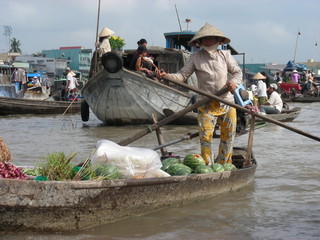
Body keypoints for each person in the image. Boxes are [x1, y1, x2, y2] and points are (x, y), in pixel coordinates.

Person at [159, 22, 242, 165]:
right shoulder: (195, 57)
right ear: (200, 42)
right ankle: (208, 165)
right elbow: (182, 75)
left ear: (218, 40)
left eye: (211, 38)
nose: (208, 41)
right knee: (206, 138)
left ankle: (224, 164)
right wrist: (168, 76)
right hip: (206, 103)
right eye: (205, 39)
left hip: (226, 101)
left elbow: (237, 72)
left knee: (228, 137)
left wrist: (234, 82)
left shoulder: (225, 55)